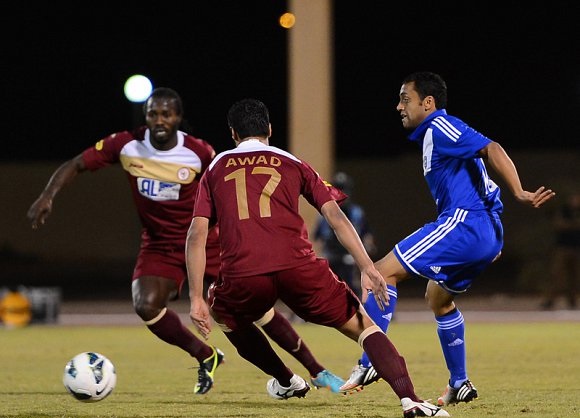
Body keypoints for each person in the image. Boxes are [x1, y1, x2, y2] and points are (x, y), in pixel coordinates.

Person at [27, 88, 343, 396]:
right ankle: (209, 356)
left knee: (255, 308)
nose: (159, 120)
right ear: (146, 116)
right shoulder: (125, 145)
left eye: (166, 113)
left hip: (208, 241)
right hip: (159, 244)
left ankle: (317, 370)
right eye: (153, 113)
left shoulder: (200, 153)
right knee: (146, 305)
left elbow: (231, 188)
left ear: (178, 117)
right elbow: (76, 163)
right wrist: (46, 196)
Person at [186, 98, 450, 417]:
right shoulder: (292, 162)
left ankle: (286, 380)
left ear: (232, 133)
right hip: (298, 267)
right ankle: (411, 401)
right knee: (364, 328)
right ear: (269, 129)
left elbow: (197, 235)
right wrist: (367, 267)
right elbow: (336, 217)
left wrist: (196, 296)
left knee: (226, 316)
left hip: (244, 273)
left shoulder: (216, 167)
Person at [339, 71, 556, 407]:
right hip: (482, 231)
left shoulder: (441, 126)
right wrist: (489, 239)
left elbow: (492, 148)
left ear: (428, 103)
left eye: (405, 99)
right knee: (438, 298)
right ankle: (459, 383)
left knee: (378, 274)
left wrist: (520, 192)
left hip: (466, 223)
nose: (399, 106)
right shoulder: (430, 135)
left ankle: (371, 363)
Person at [313, 171, 377, 296]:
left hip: (349, 254)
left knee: (353, 284)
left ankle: (370, 308)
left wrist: (366, 249)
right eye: (338, 188)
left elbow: (366, 232)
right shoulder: (324, 212)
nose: (342, 192)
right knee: (323, 285)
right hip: (330, 254)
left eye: (344, 189)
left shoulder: (356, 212)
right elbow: (318, 236)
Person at [540, 192, 580, 310]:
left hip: (577, 248)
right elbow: (558, 224)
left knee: (576, 276)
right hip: (562, 248)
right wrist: (574, 224)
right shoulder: (564, 210)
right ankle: (550, 300)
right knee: (557, 275)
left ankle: (573, 300)